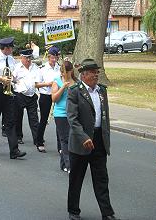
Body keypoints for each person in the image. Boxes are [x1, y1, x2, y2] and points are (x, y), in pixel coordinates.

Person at [67, 59, 118, 220]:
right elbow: (72, 118)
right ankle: (74, 211)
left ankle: (107, 213)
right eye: (93, 72)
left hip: (99, 140)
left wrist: (105, 137)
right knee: (76, 179)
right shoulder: (75, 91)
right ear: (84, 74)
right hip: (80, 141)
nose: (96, 75)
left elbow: (105, 117)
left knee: (101, 179)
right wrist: (83, 137)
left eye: (97, 72)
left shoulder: (102, 91)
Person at [0, 37, 26, 159]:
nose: (12, 50)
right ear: (6, 48)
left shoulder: (11, 59)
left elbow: (11, 74)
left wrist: (15, 79)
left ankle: (14, 150)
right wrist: (1, 78)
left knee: (10, 120)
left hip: (8, 90)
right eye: (11, 48)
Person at [51, 59, 77, 172]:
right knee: (65, 139)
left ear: (71, 71)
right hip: (60, 114)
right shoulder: (57, 81)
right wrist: (63, 88)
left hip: (73, 113)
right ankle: (69, 164)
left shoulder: (76, 82)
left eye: (65, 72)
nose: (63, 74)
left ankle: (63, 163)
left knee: (72, 138)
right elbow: (54, 99)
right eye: (61, 72)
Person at [13, 49, 41, 147]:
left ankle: (37, 138)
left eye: (30, 58)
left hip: (31, 95)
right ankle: (18, 136)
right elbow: (12, 79)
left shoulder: (35, 67)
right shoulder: (16, 67)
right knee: (18, 116)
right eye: (26, 58)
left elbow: (38, 81)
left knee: (34, 118)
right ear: (21, 57)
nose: (28, 60)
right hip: (20, 95)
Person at [37, 46, 60, 153]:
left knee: (60, 120)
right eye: (52, 58)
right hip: (46, 96)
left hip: (57, 95)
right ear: (48, 57)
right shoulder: (42, 69)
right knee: (44, 120)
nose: (54, 60)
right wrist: (48, 84)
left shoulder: (59, 68)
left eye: (56, 58)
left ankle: (61, 146)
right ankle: (39, 142)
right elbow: (36, 84)